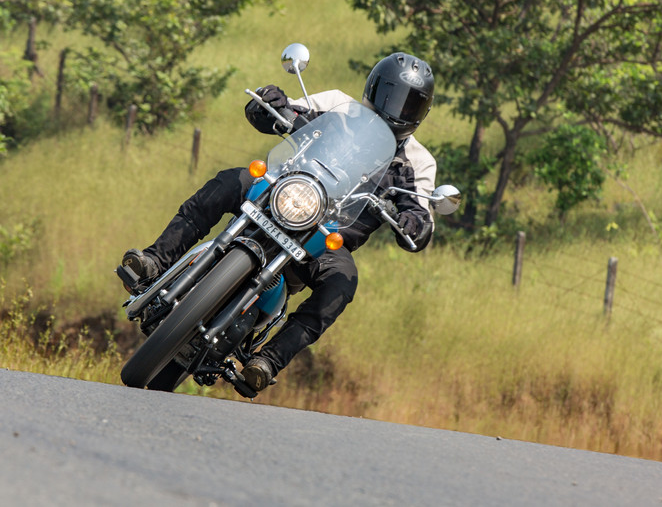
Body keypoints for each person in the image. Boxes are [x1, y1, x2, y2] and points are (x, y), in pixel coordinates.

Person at [120, 52, 438, 394]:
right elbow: (290, 111)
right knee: (230, 181)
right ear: (374, 87)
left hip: (322, 238)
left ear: (422, 112)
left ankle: (267, 361)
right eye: (391, 96)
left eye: (409, 105)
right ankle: (155, 260)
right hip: (279, 196)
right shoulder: (337, 105)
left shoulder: (418, 162)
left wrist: (414, 221)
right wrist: (274, 103)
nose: (396, 110)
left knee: (342, 282)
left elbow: (422, 213)